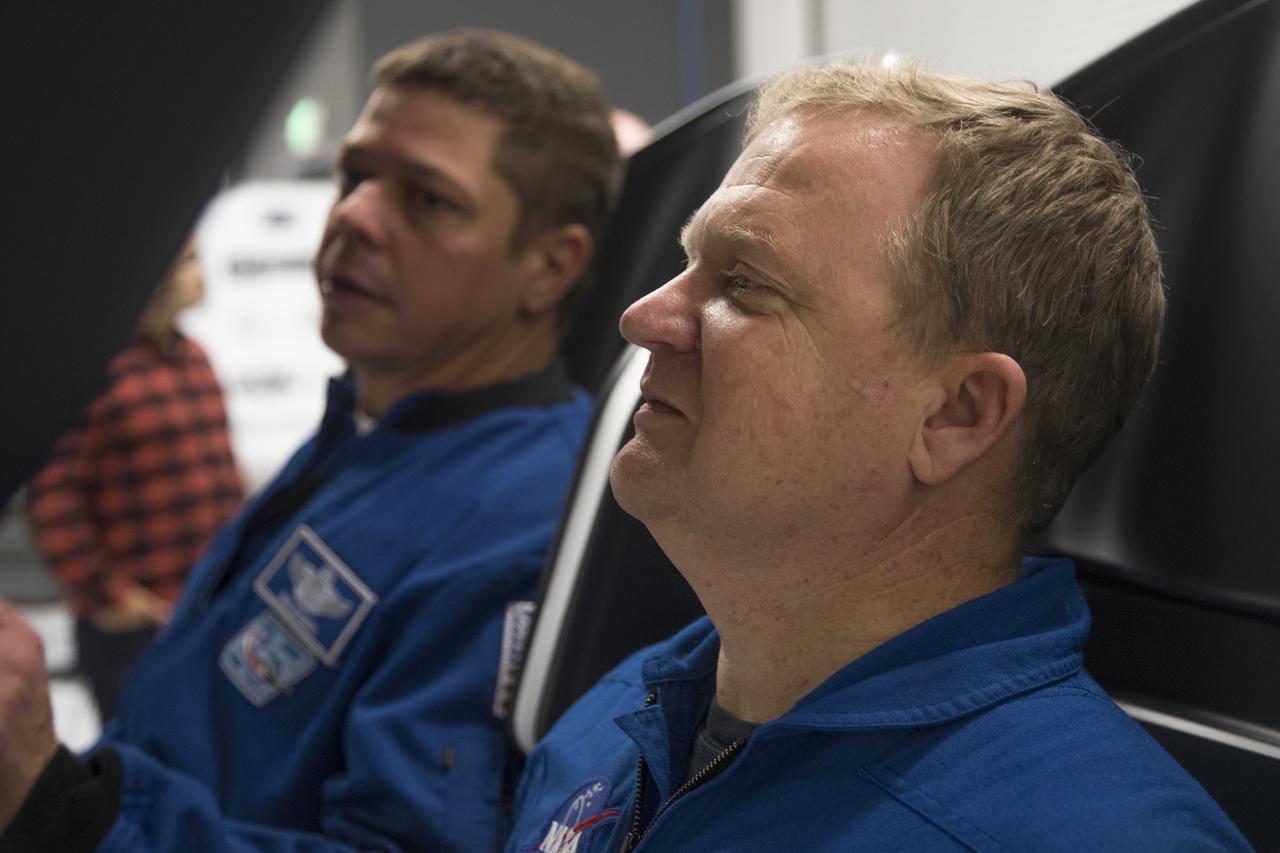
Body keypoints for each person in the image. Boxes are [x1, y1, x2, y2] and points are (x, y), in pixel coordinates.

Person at [504, 61, 1251, 852]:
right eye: (687, 264)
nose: (643, 316)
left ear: (957, 414)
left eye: (744, 282)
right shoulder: (614, 720)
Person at [0, 28, 620, 852]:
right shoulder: (369, 431)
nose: (353, 215)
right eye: (355, 175)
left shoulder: (516, 531)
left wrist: (55, 802)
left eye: (428, 199)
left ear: (550, 267)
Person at [24, 239, 244, 721]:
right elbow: (53, 497)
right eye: (188, 261)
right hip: (132, 625)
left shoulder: (194, 357)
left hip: (205, 612)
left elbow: (222, 475)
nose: (201, 274)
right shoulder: (93, 371)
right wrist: (109, 594)